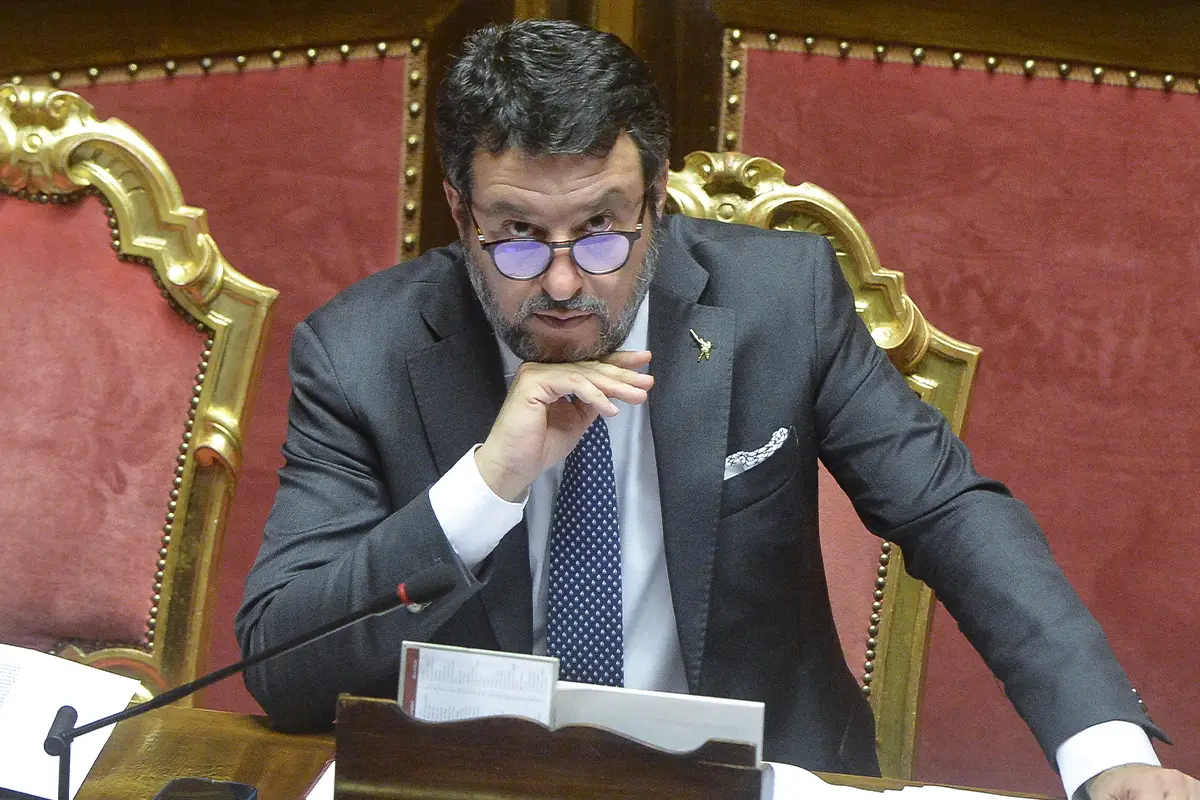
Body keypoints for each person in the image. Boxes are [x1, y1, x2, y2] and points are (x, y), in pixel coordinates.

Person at [236, 19, 1198, 799]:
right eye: (518, 236)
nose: (563, 282)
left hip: (754, 782)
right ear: (461, 213)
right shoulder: (360, 354)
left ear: (656, 198)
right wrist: (487, 486)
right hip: (484, 783)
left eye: (602, 230)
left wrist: (1105, 748)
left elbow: (949, 513)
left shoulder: (782, 301)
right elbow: (282, 665)